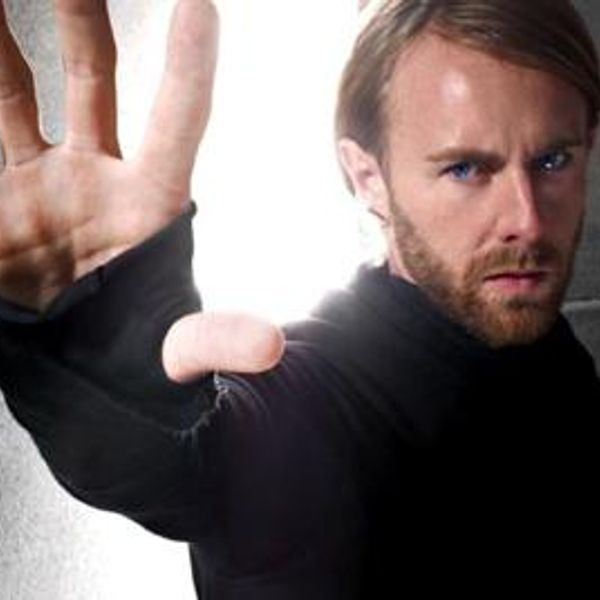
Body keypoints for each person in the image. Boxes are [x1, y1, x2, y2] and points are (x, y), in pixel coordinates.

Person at [0, 0, 598, 597]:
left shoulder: (551, 354)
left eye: (553, 160)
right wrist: (93, 360)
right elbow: (196, 468)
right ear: (368, 179)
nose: (527, 220)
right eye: (466, 169)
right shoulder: (306, 401)